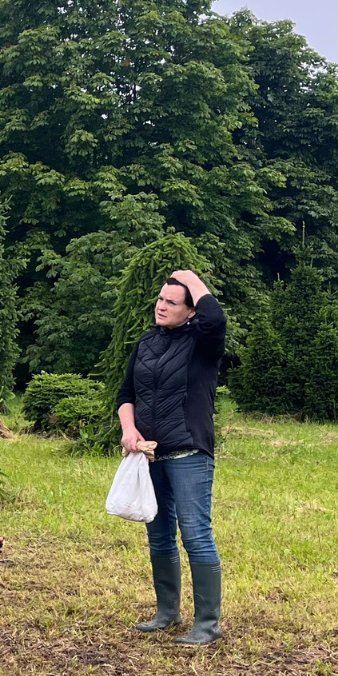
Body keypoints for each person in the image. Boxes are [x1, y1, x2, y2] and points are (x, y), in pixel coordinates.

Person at [116, 268, 226, 645]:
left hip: (189, 452)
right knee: (158, 535)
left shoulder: (203, 342)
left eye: (172, 302)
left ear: (191, 311)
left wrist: (192, 279)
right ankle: (167, 613)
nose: (161, 307)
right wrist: (129, 430)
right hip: (150, 455)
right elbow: (126, 392)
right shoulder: (147, 342)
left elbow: (216, 317)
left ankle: (207, 624)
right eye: (160, 299)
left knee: (195, 535)